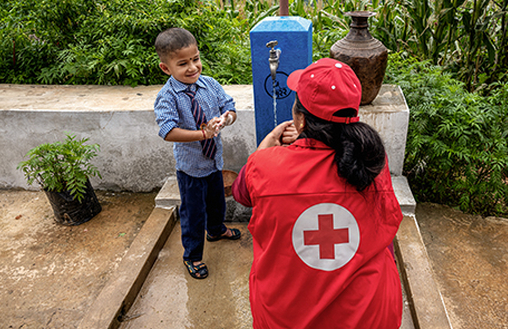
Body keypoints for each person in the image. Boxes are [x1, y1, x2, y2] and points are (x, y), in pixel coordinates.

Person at [232, 58, 404, 328]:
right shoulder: (371, 160)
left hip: (287, 318)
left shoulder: (265, 165)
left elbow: (241, 193)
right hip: (371, 315)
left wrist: (264, 149)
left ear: (300, 119)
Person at [153, 27, 241, 280]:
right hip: (191, 169)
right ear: (166, 68)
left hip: (214, 163)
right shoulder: (167, 97)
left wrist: (227, 118)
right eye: (183, 63)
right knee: (193, 214)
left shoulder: (209, 84)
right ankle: (192, 256)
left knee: (216, 203)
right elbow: (168, 131)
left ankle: (215, 230)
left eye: (195, 59)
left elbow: (229, 106)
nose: (192, 68)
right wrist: (203, 135)